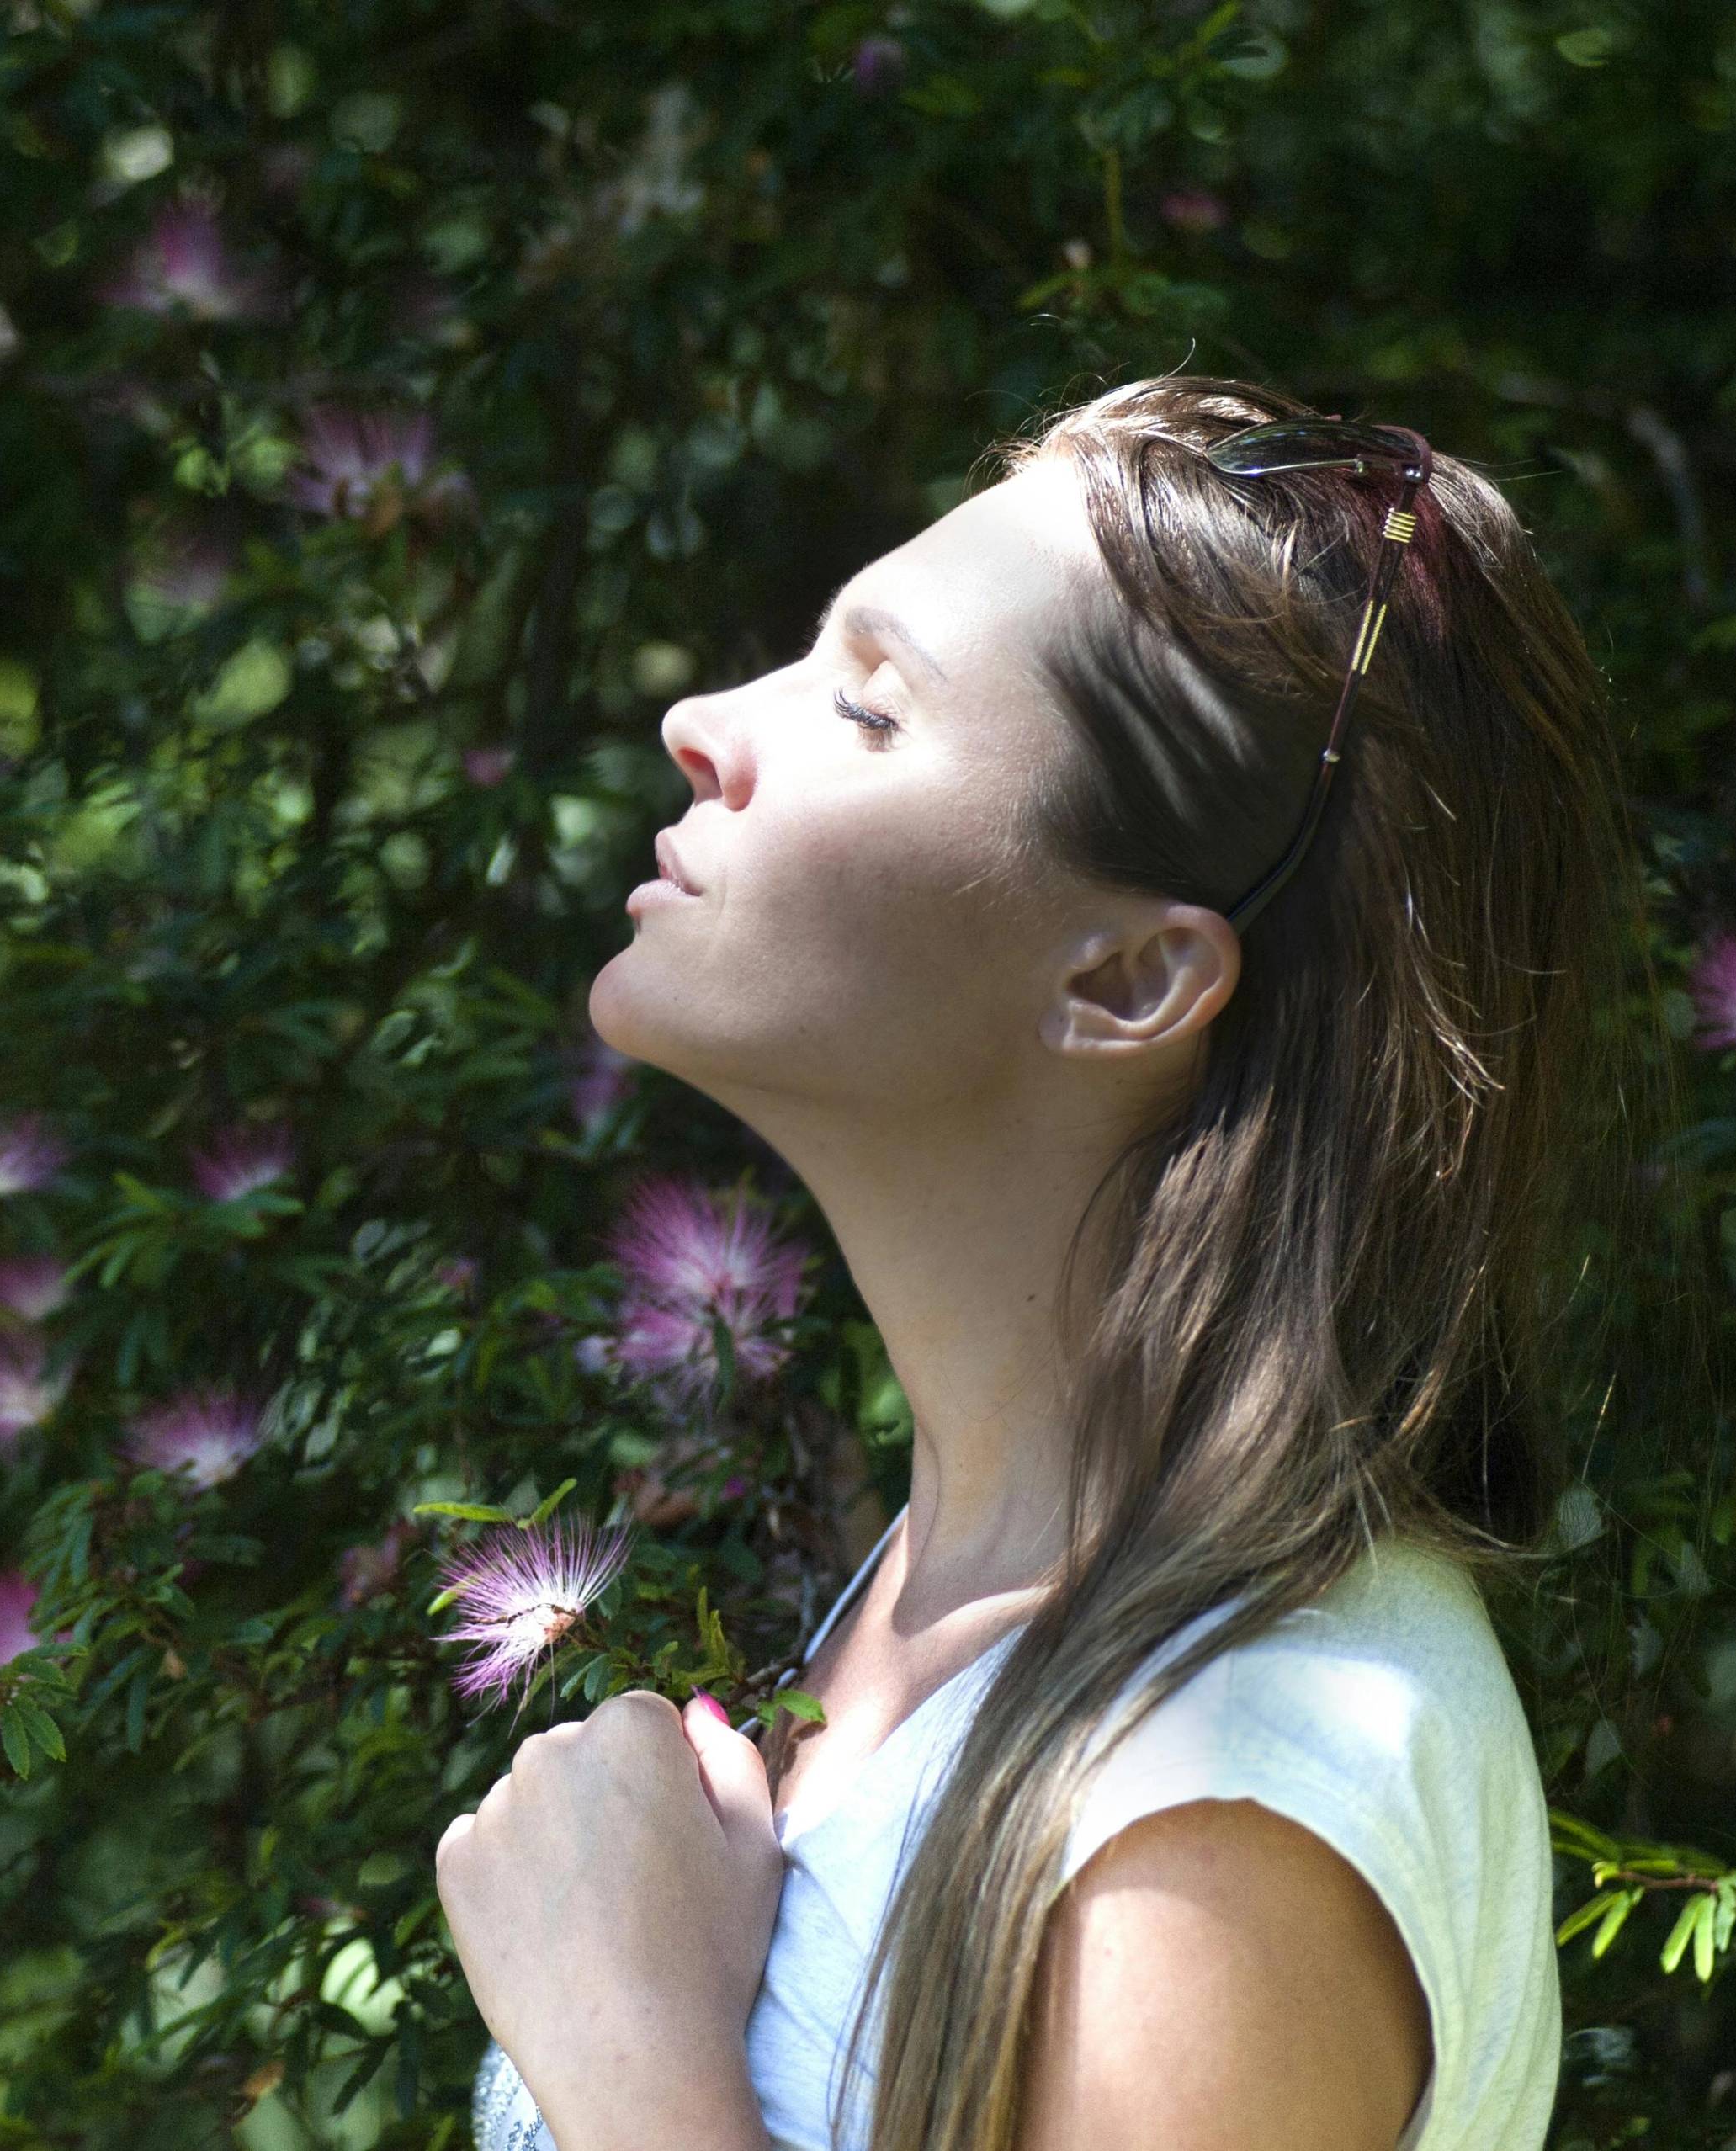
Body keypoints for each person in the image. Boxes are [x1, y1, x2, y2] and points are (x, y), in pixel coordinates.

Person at [438, 374, 1645, 2151]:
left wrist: (628, 2058)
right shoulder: (966, 1607)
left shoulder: (1228, 1795)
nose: (702, 720)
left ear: (1129, 985)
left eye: (866, 706)